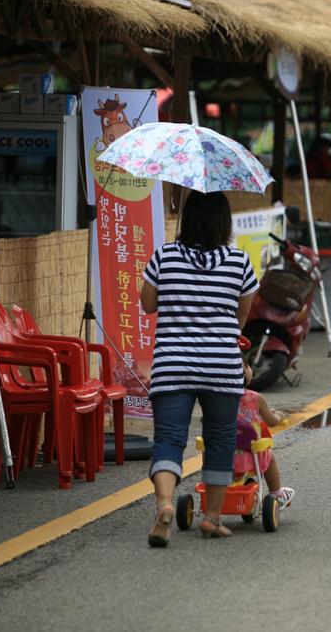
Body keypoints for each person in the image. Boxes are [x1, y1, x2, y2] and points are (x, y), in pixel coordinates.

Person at [141, 191, 259, 545]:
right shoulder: (239, 262)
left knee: (169, 439)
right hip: (221, 366)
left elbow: (147, 304)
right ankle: (211, 519)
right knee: (221, 440)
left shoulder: (165, 256)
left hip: (173, 364)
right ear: (225, 223)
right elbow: (241, 316)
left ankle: (164, 504)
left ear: (188, 219)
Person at [238, 361, 294, 507]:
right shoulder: (256, 398)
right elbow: (272, 422)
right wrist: (280, 416)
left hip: (219, 456)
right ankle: (277, 493)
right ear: (244, 370)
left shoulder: (216, 400)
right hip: (250, 456)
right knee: (270, 456)